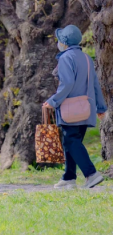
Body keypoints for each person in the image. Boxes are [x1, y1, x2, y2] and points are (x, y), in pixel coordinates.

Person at [43, 24, 107, 190]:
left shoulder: (65, 58)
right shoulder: (86, 58)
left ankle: (91, 174)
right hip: (86, 108)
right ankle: (69, 177)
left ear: (64, 42)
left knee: (71, 141)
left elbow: (67, 83)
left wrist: (53, 101)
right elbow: (94, 84)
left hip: (70, 110)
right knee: (71, 142)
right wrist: (100, 107)